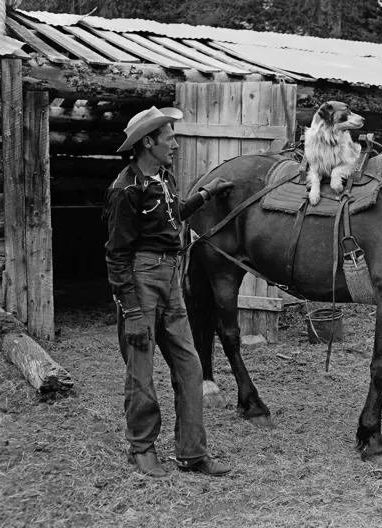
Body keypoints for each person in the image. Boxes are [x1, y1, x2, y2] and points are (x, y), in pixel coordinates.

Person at [103, 106, 234, 478]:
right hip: (140, 279)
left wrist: (206, 195)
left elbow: (173, 213)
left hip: (170, 277)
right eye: (169, 137)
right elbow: (116, 255)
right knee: (140, 370)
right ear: (148, 142)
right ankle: (141, 448)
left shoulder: (164, 178)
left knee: (190, 366)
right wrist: (130, 310)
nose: (175, 144)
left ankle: (192, 453)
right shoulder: (124, 190)